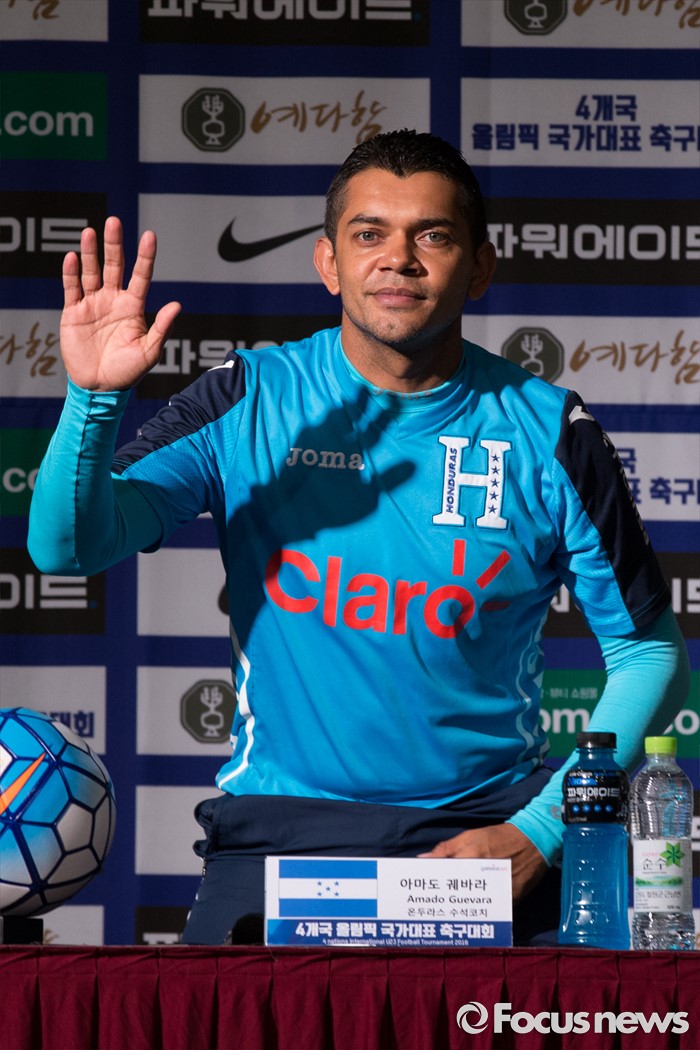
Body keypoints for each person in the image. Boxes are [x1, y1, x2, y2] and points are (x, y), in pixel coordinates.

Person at [28, 130, 689, 946]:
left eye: (432, 236)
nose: (398, 259)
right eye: (369, 233)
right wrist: (92, 399)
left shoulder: (549, 430)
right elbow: (68, 549)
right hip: (281, 833)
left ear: (480, 267)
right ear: (329, 263)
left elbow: (648, 652)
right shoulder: (249, 398)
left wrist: (541, 832)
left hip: (486, 832)